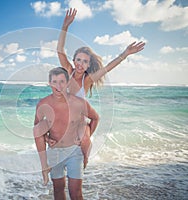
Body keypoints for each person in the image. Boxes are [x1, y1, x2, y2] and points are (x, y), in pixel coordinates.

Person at [50, 8, 146, 166]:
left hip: (78, 122)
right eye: (78, 60)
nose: (81, 64)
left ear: (89, 65)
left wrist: (125, 54)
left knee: (84, 139)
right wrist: (65, 26)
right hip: (62, 119)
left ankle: (86, 154)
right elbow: (59, 50)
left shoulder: (87, 81)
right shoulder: (67, 72)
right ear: (74, 60)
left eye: (85, 62)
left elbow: (107, 67)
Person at [33, 67, 99, 200]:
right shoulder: (43, 104)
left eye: (62, 81)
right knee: (58, 190)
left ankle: (83, 158)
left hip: (74, 152)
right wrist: (46, 138)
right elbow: (37, 127)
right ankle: (44, 167)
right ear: (49, 83)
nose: (58, 86)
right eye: (55, 82)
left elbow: (95, 118)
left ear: (68, 83)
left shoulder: (79, 103)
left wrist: (85, 138)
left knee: (75, 193)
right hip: (54, 151)